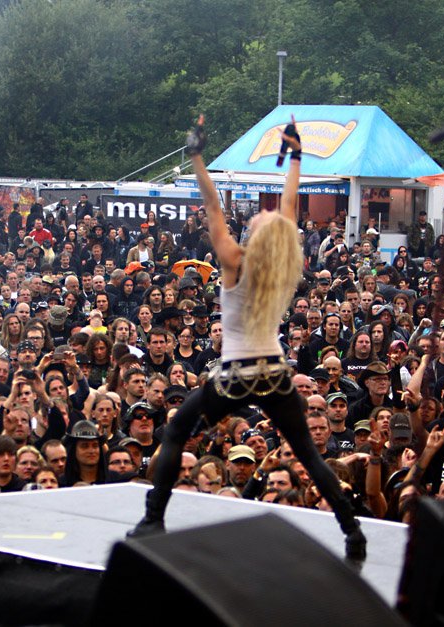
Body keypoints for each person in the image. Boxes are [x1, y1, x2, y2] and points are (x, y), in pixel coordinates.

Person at [130, 116, 366, 558]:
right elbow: (291, 205)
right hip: (276, 373)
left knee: (178, 429)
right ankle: (351, 529)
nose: (262, 213)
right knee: (310, 457)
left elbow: (212, 205)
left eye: (262, 215)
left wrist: (197, 156)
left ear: (258, 233)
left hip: (239, 372)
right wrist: (295, 156)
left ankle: (152, 517)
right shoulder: (282, 266)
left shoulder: (236, 260)